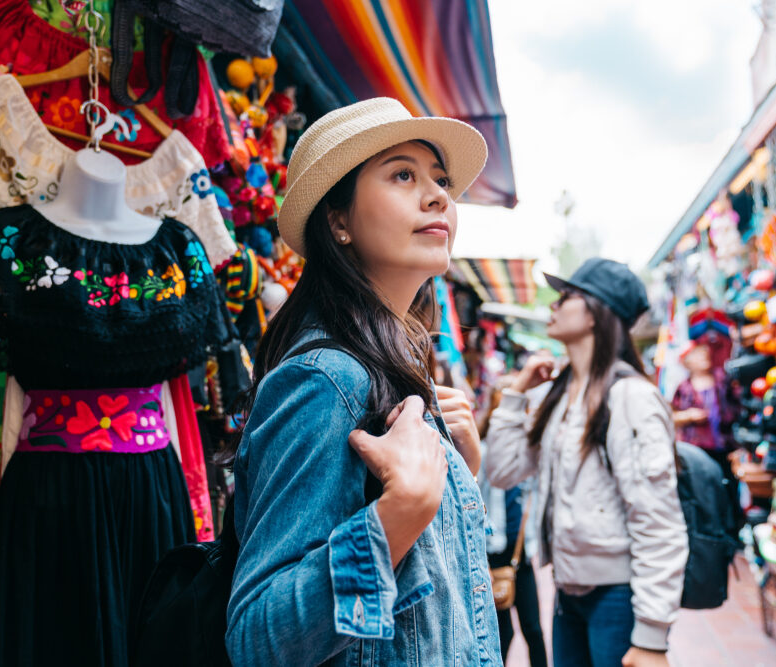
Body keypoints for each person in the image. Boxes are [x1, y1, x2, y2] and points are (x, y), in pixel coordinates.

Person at [225, 98, 502, 666]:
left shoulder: (395, 367)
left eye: (441, 179)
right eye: (403, 174)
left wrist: (455, 475)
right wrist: (402, 512)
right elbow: (258, 638)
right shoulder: (325, 380)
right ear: (338, 220)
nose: (438, 196)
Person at [484, 258, 688, 667]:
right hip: (567, 591)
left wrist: (651, 637)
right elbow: (503, 470)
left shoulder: (630, 398)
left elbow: (659, 522)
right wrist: (518, 392)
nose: (554, 306)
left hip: (617, 596)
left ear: (597, 311)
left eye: (567, 296)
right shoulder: (558, 396)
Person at [478, 374, 549, 667]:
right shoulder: (482, 452)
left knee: (533, 627)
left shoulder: (528, 452)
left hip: (521, 552)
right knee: (501, 630)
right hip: (492, 552)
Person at [671, 340, 739, 476]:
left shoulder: (722, 379)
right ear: (687, 363)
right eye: (697, 355)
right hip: (698, 450)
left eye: (704, 354)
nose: (703, 357)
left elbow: (739, 407)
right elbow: (672, 417)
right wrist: (689, 416)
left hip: (726, 446)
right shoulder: (684, 389)